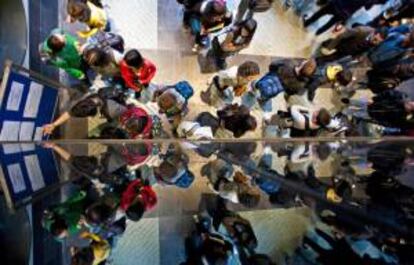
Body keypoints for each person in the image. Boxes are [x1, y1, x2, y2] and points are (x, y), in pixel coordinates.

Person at [303, 0, 388, 35]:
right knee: (329, 24)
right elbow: (367, 7)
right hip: (345, 13)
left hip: (338, 3)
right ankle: (317, 33)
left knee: (320, 13)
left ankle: (307, 23)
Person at [343, 90, 414, 129]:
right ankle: (349, 101)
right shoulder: (401, 96)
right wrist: (375, 98)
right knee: (360, 103)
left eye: (411, 107)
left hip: (374, 115)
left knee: (357, 113)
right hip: (374, 104)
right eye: (412, 103)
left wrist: (378, 121)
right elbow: (387, 93)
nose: (410, 104)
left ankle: (344, 112)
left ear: (410, 111)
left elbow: (390, 124)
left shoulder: (402, 117)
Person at [316, 26, 387, 63]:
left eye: (378, 42)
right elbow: (342, 36)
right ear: (375, 33)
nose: (375, 43)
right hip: (339, 44)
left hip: (346, 52)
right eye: (375, 39)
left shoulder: (375, 42)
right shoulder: (361, 31)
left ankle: (316, 62)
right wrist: (329, 47)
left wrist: (357, 56)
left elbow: (365, 50)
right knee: (323, 50)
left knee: (326, 60)